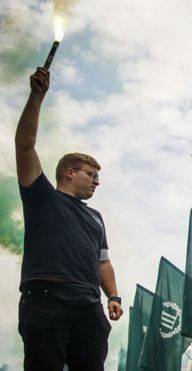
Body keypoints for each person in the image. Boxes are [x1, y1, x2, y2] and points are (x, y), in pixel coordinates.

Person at [15, 67, 122, 371]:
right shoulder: (42, 197)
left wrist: (113, 295)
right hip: (46, 300)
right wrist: (37, 96)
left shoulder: (96, 217)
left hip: (89, 306)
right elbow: (24, 145)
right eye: (92, 175)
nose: (96, 182)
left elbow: (103, 261)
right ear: (69, 173)